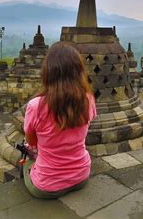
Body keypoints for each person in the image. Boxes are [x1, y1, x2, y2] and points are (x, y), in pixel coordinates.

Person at [23, 41, 97, 199]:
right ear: (78, 71)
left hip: (46, 186)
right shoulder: (88, 99)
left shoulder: (36, 106)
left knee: (25, 162)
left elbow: (32, 141)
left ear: (48, 72)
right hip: (81, 175)